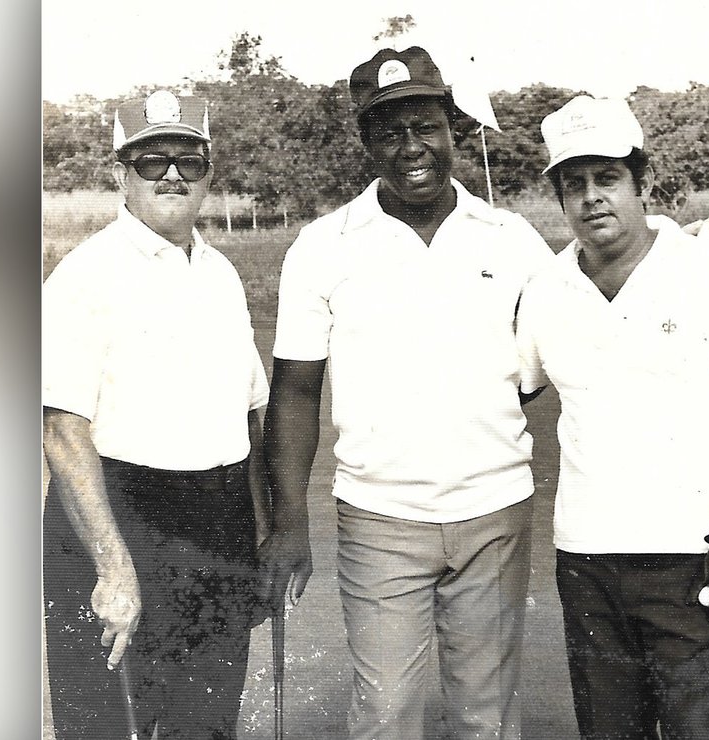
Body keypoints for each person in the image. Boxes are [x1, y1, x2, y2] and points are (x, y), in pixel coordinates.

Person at [259, 46, 557, 740]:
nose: (411, 147)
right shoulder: (322, 246)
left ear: (452, 129)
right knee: (387, 714)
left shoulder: (511, 238)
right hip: (378, 517)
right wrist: (290, 517)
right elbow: (297, 393)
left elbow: (558, 352)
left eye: (425, 125)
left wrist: (672, 247)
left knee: (487, 716)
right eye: (390, 131)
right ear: (366, 143)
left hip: (495, 514)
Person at [515, 95, 709, 740]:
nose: (592, 197)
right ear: (558, 196)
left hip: (690, 558)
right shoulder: (546, 291)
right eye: (573, 184)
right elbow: (516, 385)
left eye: (607, 177)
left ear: (640, 182)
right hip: (586, 562)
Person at [42, 90, 270, 740]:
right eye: (151, 160)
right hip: (116, 518)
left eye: (187, 160)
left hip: (216, 520)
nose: (171, 174)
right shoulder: (84, 276)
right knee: (106, 725)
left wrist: (255, 542)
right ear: (122, 172)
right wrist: (114, 569)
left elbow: (246, 417)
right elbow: (62, 431)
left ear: (207, 172)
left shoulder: (222, 274)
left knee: (206, 722)